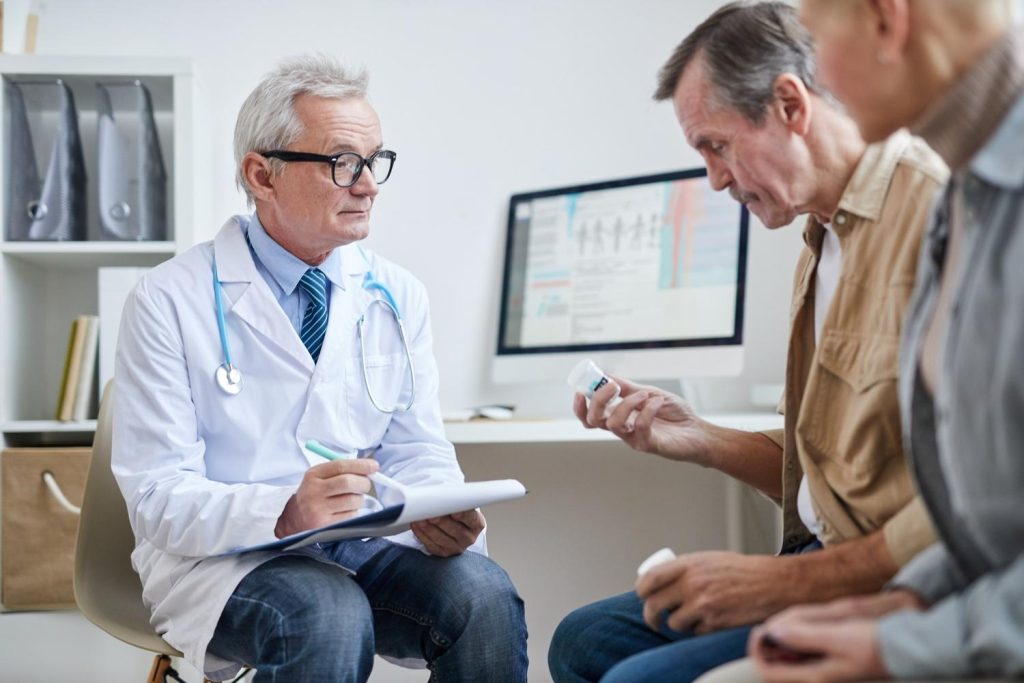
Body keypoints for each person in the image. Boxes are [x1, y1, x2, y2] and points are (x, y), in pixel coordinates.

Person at [547, 3, 948, 682]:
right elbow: (821, 474)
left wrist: (781, 582)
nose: (714, 178)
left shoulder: (936, 214)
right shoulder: (819, 241)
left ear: (790, 105)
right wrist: (699, 436)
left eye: (717, 145)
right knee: (582, 640)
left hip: (892, 586)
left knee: (631, 676)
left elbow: (970, 504)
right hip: (816, 558)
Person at [111, 55, 527, 682]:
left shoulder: (396, 293)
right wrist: (285, 511)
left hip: (362, 543)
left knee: (483, 596)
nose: (369, 185)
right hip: (225, 559)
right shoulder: (167, 299)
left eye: (375, 161)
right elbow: (156, 496)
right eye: (343, 163)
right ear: (262, 175)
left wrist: (435, 509)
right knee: (326, 612)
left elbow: (416, 448)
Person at [741, 0, 1024, 680]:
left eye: (814, 38)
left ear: (886, 20)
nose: (814, 76)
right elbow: (986, 525)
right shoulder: (962, 203)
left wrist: (902, 646)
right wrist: (904, 601)